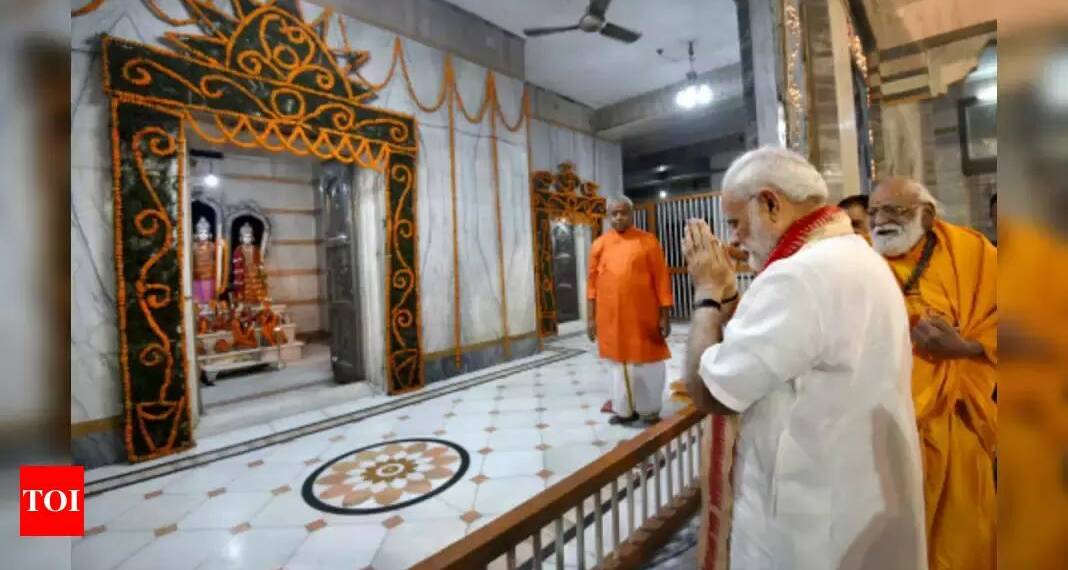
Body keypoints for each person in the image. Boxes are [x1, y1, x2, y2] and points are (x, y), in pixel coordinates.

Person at [682, 147, 927, 569]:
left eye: (738, 223)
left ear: (771, 204)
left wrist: (706, 291)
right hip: (860, 501)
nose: (735, 240)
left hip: (813, 527)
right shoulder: (858, 255)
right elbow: (775, 347)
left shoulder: (799, 275)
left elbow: (709, 392)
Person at [869, 176, 997, 570]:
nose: (881, 221)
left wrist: (964, 347)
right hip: (879, 430)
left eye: (895, 210)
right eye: (874, 212)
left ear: (927, 215)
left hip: (955, 426)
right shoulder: (858, 262)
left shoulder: (971, 252)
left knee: (960, 542)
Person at [587, 196, 673, 425]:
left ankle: (649, 410)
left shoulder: (648, 241)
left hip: (642, 316)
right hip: (611, 318)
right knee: (618, 365)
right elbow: (592, 285)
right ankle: (624, 411)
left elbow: (661, 280)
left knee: (648, 362)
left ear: (632, 213)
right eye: (613, 213)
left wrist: (665, 314)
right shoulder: (599, 245)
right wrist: (590, 319)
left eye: (623, 212)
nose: (618, 217)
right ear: (608, 216)